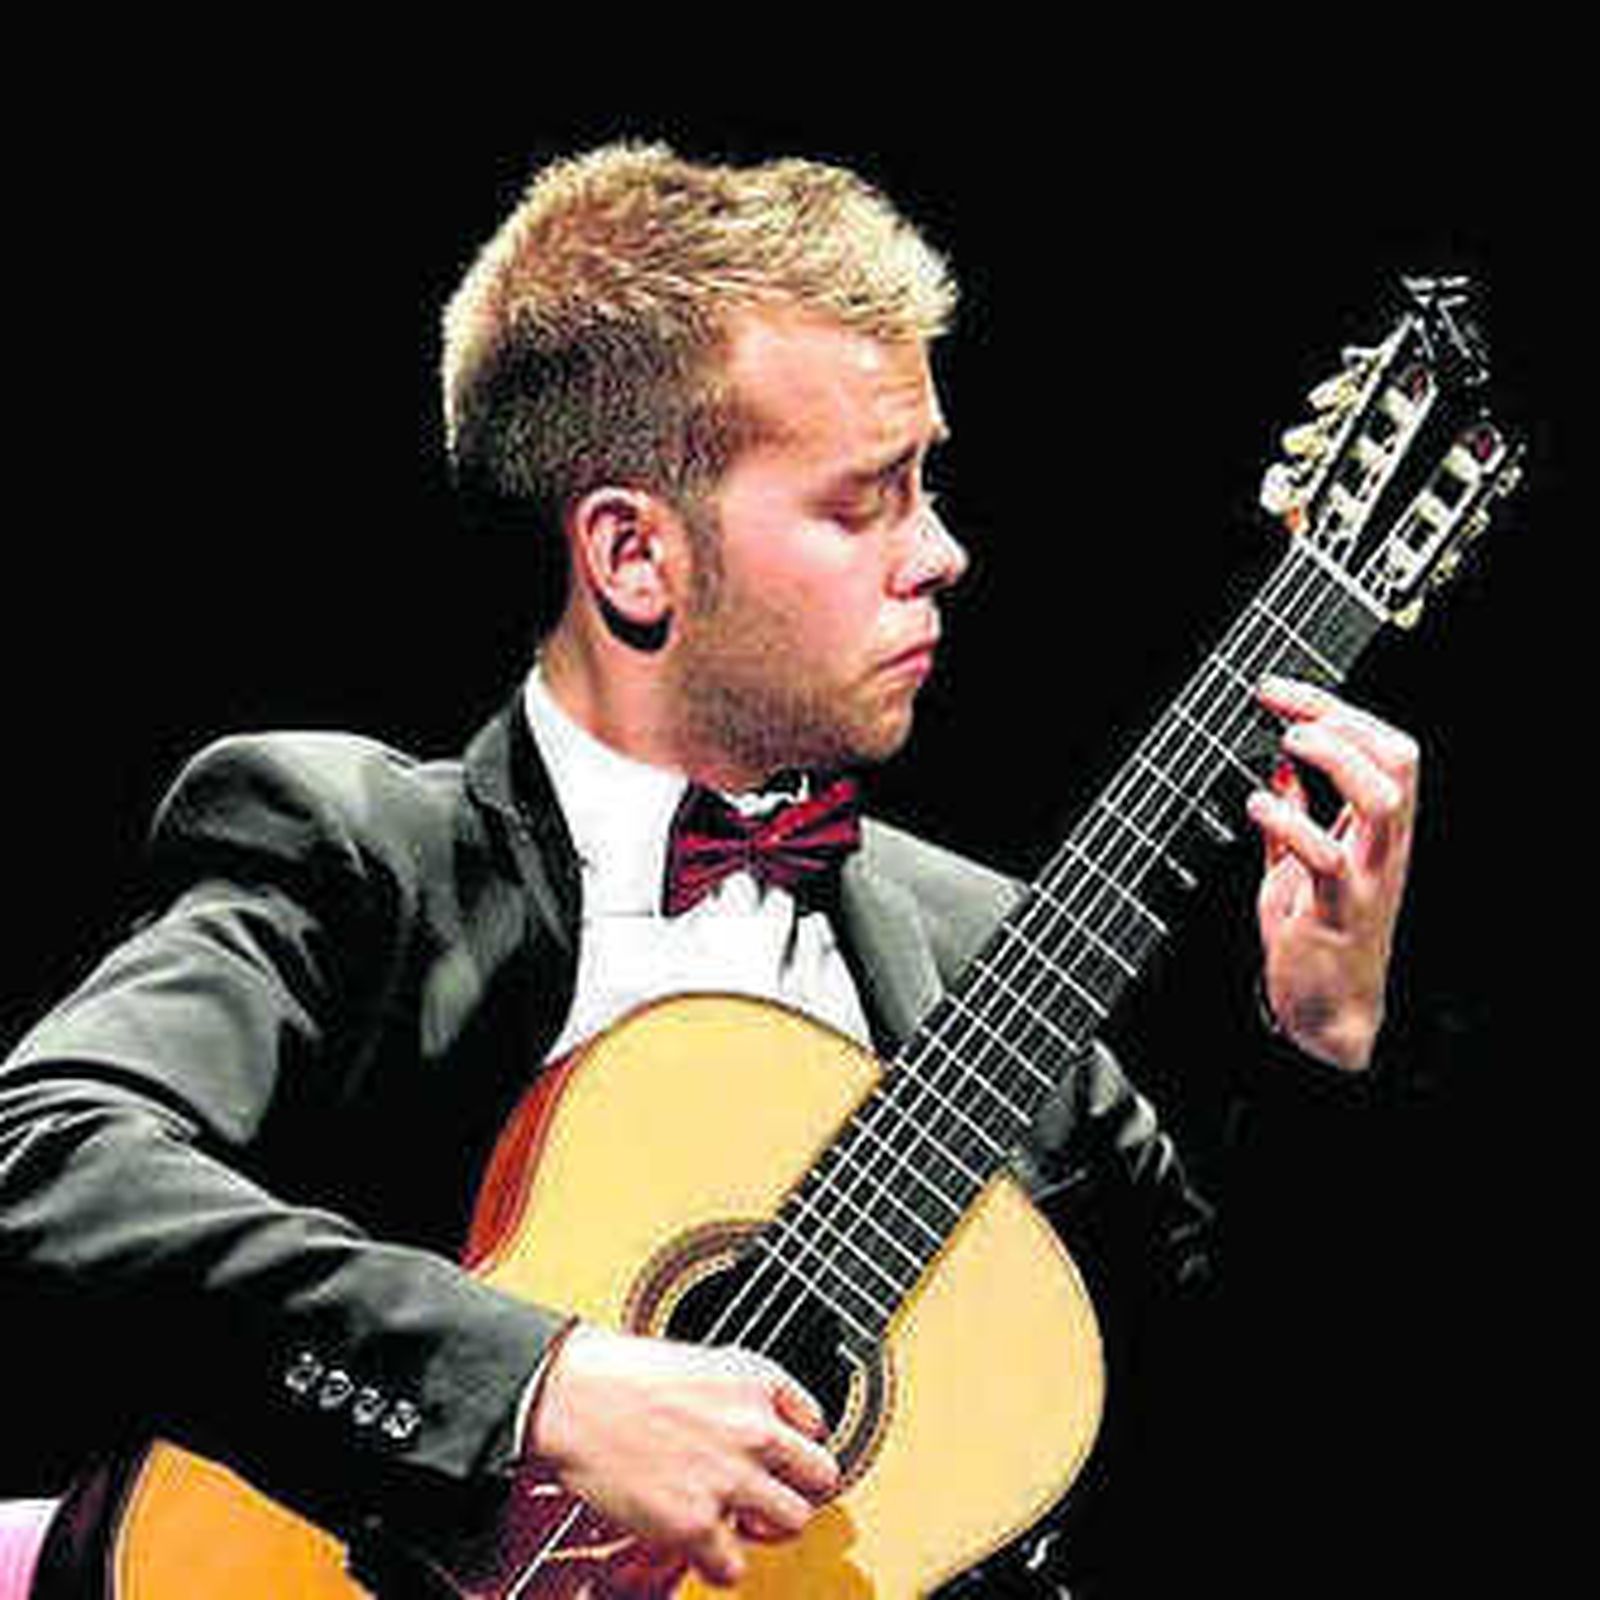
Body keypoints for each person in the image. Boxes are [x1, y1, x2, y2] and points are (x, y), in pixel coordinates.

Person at [0, 143, 1419, 1596]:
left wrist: (1316, 1046)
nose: (942, 554)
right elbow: (47, 1165)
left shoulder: (988, 957)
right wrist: (545, 1388)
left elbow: (1250, 1425)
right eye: (864, 501)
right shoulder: (361, 854)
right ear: (633, 555)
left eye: (927, 483)